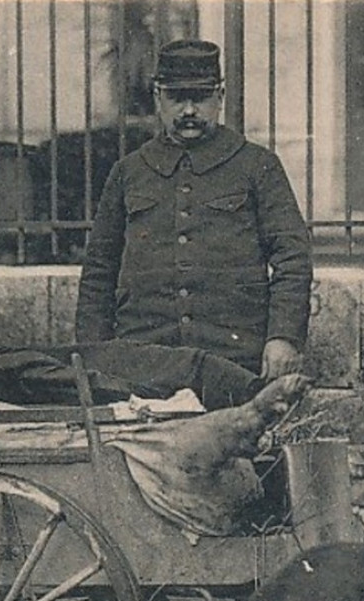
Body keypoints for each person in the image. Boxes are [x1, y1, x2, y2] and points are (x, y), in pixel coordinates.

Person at [76, 39, 313, 379]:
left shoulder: (257, 166)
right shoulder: (129, 172)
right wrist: (93, 355)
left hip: (234, 360)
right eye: (176, 97)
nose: (188, 110)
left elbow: (293, 258)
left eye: (200, 97)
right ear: (158, 97)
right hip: (144, 362)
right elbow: (99, 270)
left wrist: (283, 337)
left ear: (220, 96)